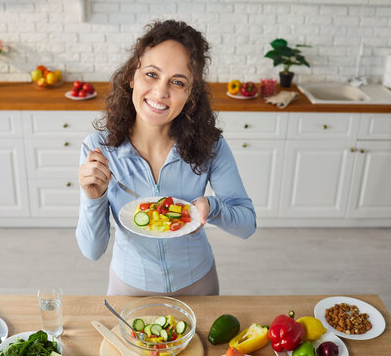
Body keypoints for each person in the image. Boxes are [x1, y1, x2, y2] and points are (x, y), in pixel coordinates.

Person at [76, 20, 256, 296]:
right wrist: (92, 198)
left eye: (178, 81)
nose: (161, 92)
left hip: (198, 285)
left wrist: (213, 208)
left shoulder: (211, 145)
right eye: (151, 74)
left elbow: (246, 225)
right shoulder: (100, 149)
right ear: (131, 77)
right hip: (129, 289)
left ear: (190, 94)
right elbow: (92, 251)